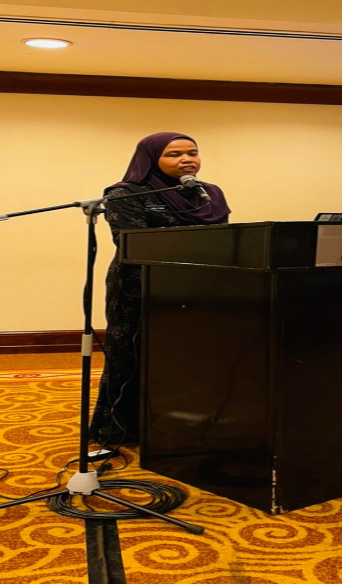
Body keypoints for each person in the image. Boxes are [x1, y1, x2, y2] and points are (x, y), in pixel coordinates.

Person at [89, 132, 230, 447]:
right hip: (140, 284)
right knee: (132, 356)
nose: (187, 159)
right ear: (151, 159)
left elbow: (222, 236)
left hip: (199, 285)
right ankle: (121, 428)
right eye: (174, 154)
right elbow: (130, 241)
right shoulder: (126, 193)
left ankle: (184, 422)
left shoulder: (210, 193)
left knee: (190, 355)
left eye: (192, 152)